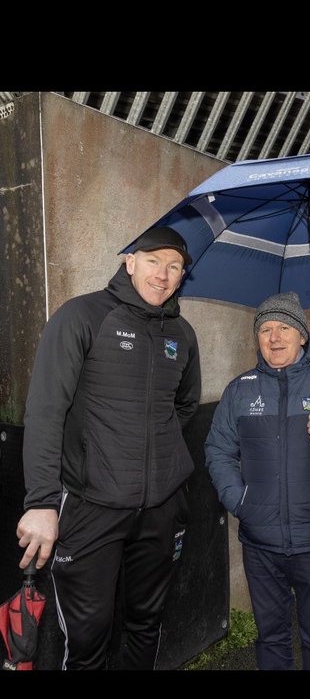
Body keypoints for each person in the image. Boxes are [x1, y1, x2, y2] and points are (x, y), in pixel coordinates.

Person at [16, 226, 201, 670]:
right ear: (130, 261)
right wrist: (41, 502)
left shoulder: (183, 332)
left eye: (174, 266)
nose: (163, 274)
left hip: (161, 510)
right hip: (91, 509)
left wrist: (153, 457)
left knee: (146, 624)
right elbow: (45, 411)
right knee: (86, 639)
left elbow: (186, 405)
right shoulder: (82, 316)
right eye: (154, 261)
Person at [205, 292, 310, 670]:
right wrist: (240, 502)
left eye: (285, 327)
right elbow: (218, 449)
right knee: (270, 638)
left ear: (303, 336)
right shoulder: (240, 389)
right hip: (261, 542)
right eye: (266, 329)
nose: (275, 337)